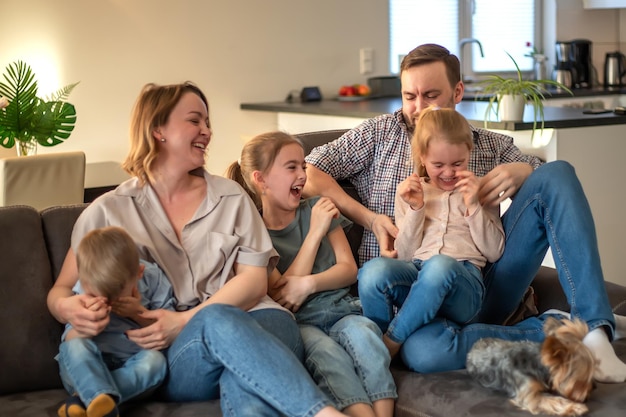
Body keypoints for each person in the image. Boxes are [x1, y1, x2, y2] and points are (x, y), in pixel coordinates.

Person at [303, 43, 626, 383]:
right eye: (409, 96)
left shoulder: (488, 145)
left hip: (482, 283)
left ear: (457, 92)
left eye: (430, 95)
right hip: (412, 298)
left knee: (558, 172)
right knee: (424, 353)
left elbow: (549, 190)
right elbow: (308, 172)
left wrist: (525, 172)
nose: (417, 107)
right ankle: (557, 328)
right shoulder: (379, 133)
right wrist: (370, 218)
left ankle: (594, 330)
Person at [47, 81, 348, 417]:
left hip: (263, 321)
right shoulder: (106, 212)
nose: (206, 131)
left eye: (208, 122)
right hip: (182, 356)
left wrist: (185, 319)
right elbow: (60, 291)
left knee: (239, 372)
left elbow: (253, 282)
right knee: (227, 341)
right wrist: (69, 308)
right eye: (195, 121)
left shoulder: (231, 197)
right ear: (157, 128)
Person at [226, 131, 397, 417]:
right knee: (329, 358)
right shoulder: (253, 232)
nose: (302, 174)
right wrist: (315, 232)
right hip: (300, 323)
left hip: (343, 310)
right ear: (261, 179)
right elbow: (280, 294)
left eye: (302, 166)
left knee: (367, 338)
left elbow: (348, 270)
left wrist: (308, 284)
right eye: (291, 167)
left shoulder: (318, 206)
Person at [368, 106, 504, 359]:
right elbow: (404, 255)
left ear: (469, 152)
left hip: (463, 285)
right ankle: (376, 340)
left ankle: (390, 342)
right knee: (372, 271)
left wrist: (473, 204)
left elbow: (494, 252)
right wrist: (416, 208)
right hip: (418, 278)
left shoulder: (480, 191)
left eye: (458, 163)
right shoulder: (409, 193)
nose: (449, 172)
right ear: (422, 157)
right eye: (438, 164)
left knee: (439, 266)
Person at [57, 226, 176, 417]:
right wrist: (87, 327)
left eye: (118, 297)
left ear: (139, 273)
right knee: (75, 346)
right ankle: (101, 401)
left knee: (156, 361)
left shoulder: (154, 279)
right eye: (96, 295)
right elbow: (70, 338)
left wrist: (137, 314)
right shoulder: (86, 281)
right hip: (84, 367)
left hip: (132, 362)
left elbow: (166, 331)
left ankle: (86, 398)